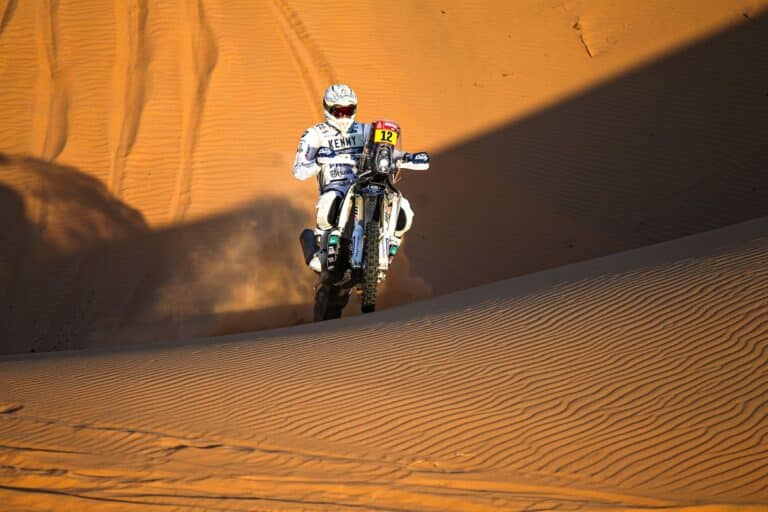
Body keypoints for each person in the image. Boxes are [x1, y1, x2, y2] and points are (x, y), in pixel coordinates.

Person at [293, 84, 415, 272]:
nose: (344, 117)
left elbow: (386, 151)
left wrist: (408, 157)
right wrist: (318, 160)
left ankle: (389, 249)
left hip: (368, 180)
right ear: (328, 109)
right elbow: (299, 171)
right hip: (337, 186)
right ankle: (322, 251)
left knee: (404, 210)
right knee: (328, 203)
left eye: (348, 111)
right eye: (339, 111)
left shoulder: (366, 130)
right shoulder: (314, 135)